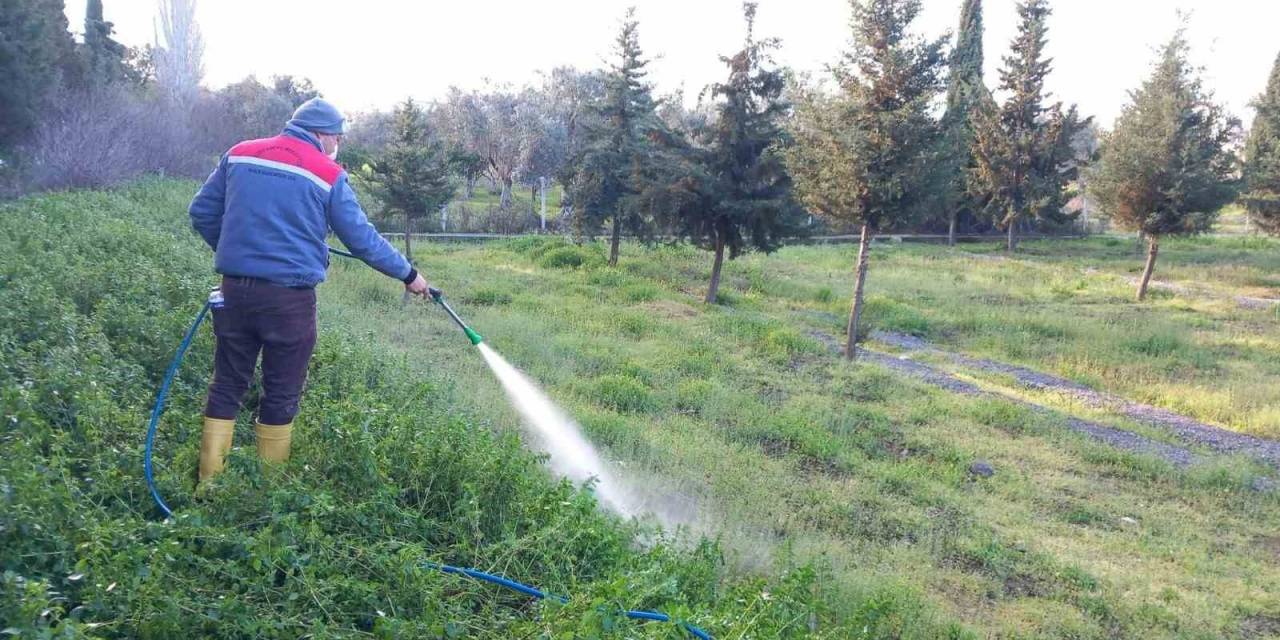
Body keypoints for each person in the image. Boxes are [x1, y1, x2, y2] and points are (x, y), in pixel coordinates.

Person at [188, 97, 429, 482]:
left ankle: (209, 484)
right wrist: (409, 275)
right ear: (322, 135)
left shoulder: (239, 154)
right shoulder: (327, 173)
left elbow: (200, 212)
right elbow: (362, 240)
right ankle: (267, 494)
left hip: (234, 293)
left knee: (227, 384)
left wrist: (241, 253)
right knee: (281, 392)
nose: (338, 145)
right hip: (289, 302)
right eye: (337, 137)